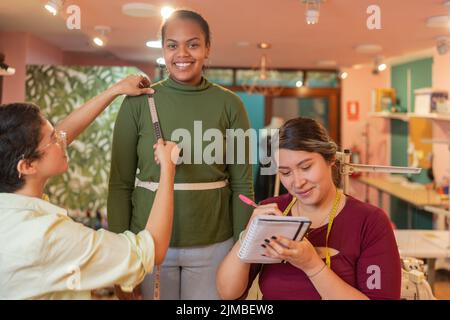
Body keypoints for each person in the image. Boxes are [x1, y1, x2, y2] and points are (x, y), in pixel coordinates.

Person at [107, 10, 254, 300]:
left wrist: (242, 250)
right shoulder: (138, 103)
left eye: (193, 44)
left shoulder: (231, 105)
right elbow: (120, 184)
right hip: (146, 243)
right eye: (172, 45)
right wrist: (120, 258)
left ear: (208, 48)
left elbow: (242, 186)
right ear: (163, 49)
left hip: (215, 244)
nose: (182, 53)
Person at [0, 76, 180, 299]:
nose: (62, 139)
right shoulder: (49, 237)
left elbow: (63, 134)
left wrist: (114, 91)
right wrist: (168, 171)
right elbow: (150, 250)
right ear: (27, 166)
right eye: (53, 138)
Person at [217, 117, 401, 300]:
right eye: (285, 172)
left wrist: (312, 265)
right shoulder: (273, 212)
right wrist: (248, 236)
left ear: (330, 159)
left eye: (306, 167)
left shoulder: (369, 222)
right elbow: (228, 293)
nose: (297, 182)